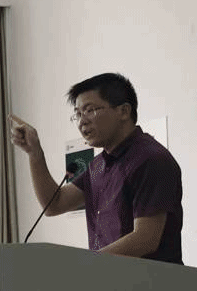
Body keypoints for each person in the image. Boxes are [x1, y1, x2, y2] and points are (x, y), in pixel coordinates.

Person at [10, 72, 183, 263]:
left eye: (90, 110)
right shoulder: (98, 165)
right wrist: (34, 153)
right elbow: (54, 204)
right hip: (107, 276)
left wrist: (86, 264)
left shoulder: (150, 159)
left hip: (151, 280)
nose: (82, 121)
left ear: (124, 111)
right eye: (78, 114)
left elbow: (145, 239)